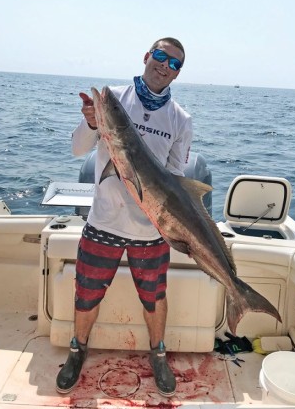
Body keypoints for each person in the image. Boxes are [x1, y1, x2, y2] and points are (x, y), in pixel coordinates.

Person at [56, 37, 193, 397]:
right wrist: (91, 123)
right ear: (147, 56)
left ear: (178, 73)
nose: (164, 65)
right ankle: (77, 350)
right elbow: (77, 150)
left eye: (174, 63)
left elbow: (176, 178)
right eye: (160, 56)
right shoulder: (113, 100)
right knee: (86, 295)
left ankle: (158, 354)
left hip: (150, 230)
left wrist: (171, 223)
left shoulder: (180, 119)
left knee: (154, 298)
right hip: (103, 223)